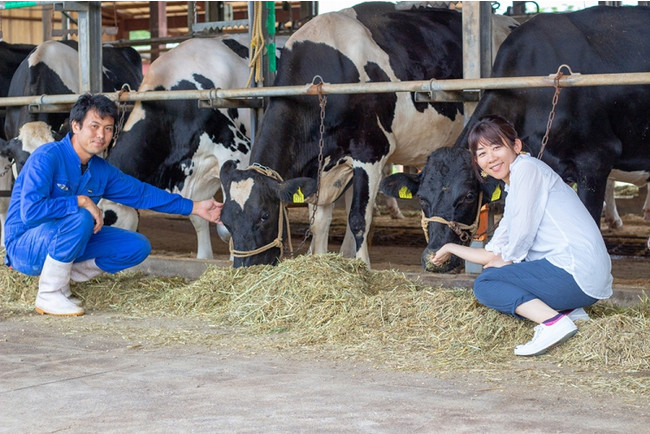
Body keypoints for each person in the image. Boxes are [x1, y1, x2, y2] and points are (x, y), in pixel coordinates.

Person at [3, 93, 223, 317]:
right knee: (81, 215)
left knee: (136, 245)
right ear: (75, 126)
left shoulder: (100, 169)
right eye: (95, 126)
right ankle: (49, 293)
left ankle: (61, 277)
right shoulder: (46, 157)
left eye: (108, 128)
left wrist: (195, 207)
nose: (101, 135)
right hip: (25, 245)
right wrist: (81, 200)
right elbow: (30, 213)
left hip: (64, 240)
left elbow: (142, 194)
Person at [432, 115, 612, 356]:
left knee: (486, 283)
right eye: (482, 153)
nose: (491, 158)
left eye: (497, 147)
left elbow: (520, 240)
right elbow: (493, 252)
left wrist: (502, 262)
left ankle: (553, 323)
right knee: (495, 272)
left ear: (515, 146)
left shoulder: (527, 170)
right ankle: (569, 312)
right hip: (583, 278)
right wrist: (449, 248)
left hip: (576, 272)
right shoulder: (516, 185)